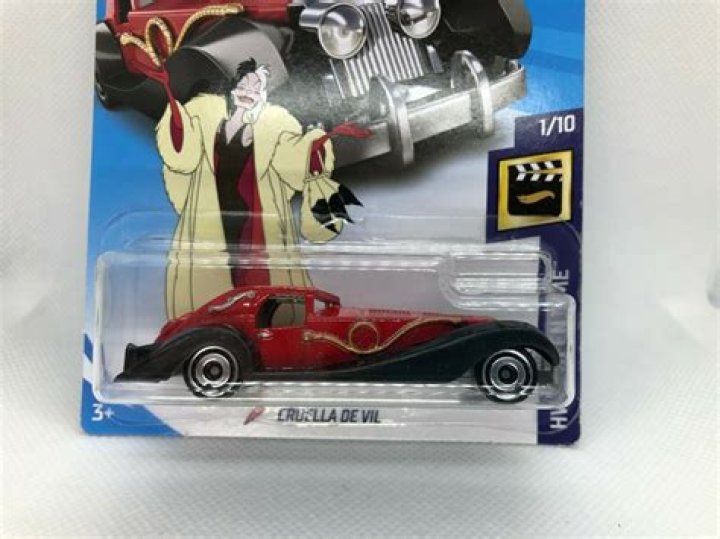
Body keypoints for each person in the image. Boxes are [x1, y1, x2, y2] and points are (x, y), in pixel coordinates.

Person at [149, 59, 368, 317]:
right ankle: (212, 323)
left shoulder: (273, 130)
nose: (248, 93)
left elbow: (293, 157)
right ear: (233, 90)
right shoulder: (208, 124)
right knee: (212, 275)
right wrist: (170, 97)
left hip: (255, 219)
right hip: (211, 218)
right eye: (244, 86)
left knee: (257, 276)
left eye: (256, 89)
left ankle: (261, 323)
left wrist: (319, 141)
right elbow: (182, 151)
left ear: (263, 96)